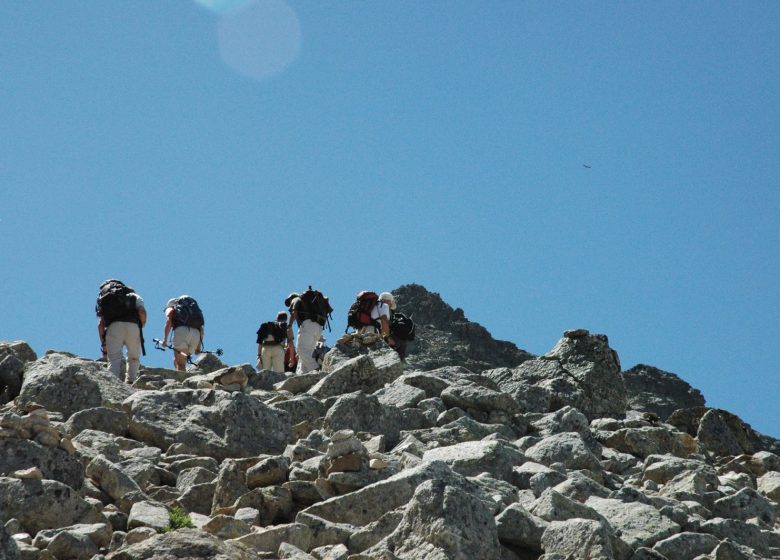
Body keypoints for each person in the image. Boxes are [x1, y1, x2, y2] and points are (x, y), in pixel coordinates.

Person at [96, 279, 147, 384]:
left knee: (114, 359)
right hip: (133, 326)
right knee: (133, 357)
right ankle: (131, 382)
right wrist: (140, 326)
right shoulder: (134, 295)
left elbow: (100, 324)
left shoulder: (105, 297)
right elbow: (142, 312)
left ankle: (112, 385)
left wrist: (104, 343)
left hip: (113, 327)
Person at [285, 288, 331, 374]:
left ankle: (316, 370)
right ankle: (303, 373)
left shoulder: (296, 299)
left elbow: (294, 311)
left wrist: (289, 325)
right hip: (318, 327)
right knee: (307, 354)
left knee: (301, 350)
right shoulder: (310, 303)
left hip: (308, 325)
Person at [162, 295, 204, 371]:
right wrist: (198, 346)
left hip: (181, 332)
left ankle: (181, 382)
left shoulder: (171, 307)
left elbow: (169, 321)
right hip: (196, 335)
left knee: (181, 364)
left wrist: (165, 339)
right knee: (179, 360)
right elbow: (201, 327)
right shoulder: (192, 310)